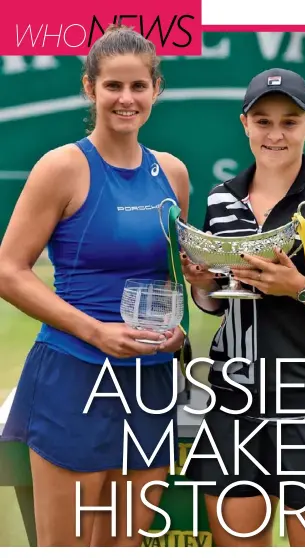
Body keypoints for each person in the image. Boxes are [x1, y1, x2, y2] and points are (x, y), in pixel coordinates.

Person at [181, 68, 305, 547]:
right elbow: (218, 305)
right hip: (234, 403)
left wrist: (299, 287)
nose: (275, 134)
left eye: (289, 122)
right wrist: (204, 284)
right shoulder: (221, 201)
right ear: (245, 124)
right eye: (263, 120)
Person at [0, 26, 188, 546]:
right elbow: (8, 271)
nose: (126, 99)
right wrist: (95, 332)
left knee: (122, 549)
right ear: (90, 88)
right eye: (113, 86)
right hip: (74, 378)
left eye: (138, 87)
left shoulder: (172, 174)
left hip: (150, 385)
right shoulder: (61, 167)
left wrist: (175, 331)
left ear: (156, 89)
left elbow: (172, 277)